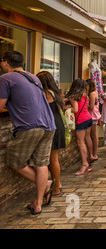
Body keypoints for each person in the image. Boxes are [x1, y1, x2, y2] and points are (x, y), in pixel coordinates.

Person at [0, 51, 56, 215]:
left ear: (5, 63)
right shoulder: (34, 77)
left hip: (30, 126)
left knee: (14, 161)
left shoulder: (5, 79)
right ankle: (37, 204)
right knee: (41, 163)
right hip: (49, 125)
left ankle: (46, 185)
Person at [36, 71, 66, 196]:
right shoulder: (56, 93)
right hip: (58, 124)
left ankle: (57, 186)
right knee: (53, 158)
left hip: (51, 125)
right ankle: (56, 184)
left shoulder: (46, 94)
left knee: (52, 159)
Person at [66, 79, 94, 176]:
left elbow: (75, 109)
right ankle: (89, 158)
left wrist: (66, 108)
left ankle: (84, 164)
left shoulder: (74, 97)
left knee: (80, 142)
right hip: (88, 119)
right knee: (86, 139)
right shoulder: (84, 95)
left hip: (81, 120)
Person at [86, 79, 100, 163]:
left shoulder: (91, 94)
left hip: (92, 116)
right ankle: (94, 154)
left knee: (92, 136)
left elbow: (91, 107)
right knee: (94, 135)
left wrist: (84, 104)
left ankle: (93, 154)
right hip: (95, 115)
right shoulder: (95, 92)